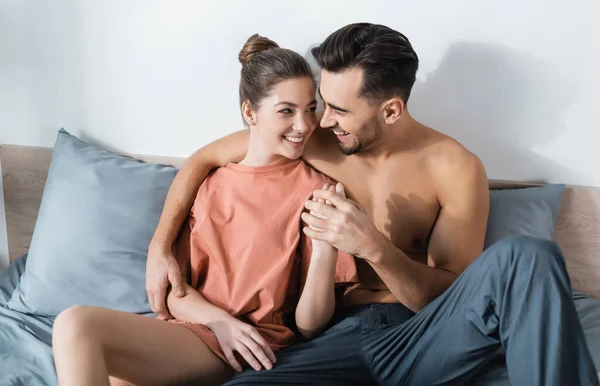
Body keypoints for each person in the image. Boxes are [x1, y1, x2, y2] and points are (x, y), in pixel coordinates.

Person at [146, 23, 599, 385]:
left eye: (338, 110)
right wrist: (160, 247)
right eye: (324, 104)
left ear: (391, 110)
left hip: (421, 337)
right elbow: (203, 159)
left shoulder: (454, 167)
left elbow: (451, 300)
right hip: (332, 338)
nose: (320, 120)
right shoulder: (313, 140)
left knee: (529, 255)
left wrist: (373, 247)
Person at [52, 34, 358, 386]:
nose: (304, 126)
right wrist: (220, 321)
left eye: (310, 109)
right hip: (194, 331)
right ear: (250, 112)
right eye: (286, 111)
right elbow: (174, 294)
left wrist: (324, 255)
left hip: (243, 346)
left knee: (76, 325)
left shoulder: (316, 190)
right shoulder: (211, 182)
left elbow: (310, 325)